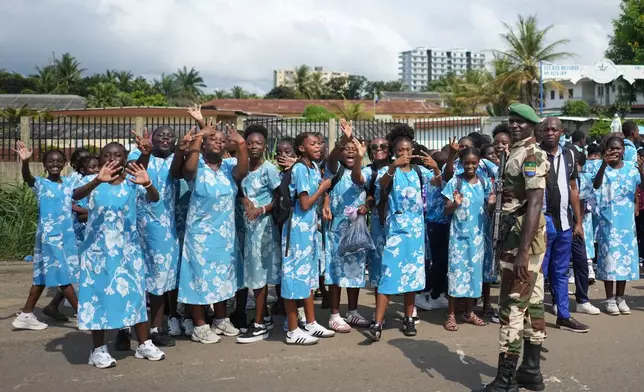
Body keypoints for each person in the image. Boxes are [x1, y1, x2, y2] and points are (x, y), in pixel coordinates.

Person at [476, 103, 549, 392]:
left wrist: (521, 252)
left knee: (510, 308)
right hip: (517, 240)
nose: (515, 125)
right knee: (532, 304)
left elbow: (535, 203)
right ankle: (531, 371)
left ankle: (506, 379)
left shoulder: (530, 155)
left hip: (522, 244)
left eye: (521, 121)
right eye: (512, 121)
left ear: (533, 125)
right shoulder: (515, 152)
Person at [74, 142, 165, 368]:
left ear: (125, 158)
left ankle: (143, 344)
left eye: (118, 155)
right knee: (99, 298)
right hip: (98, 253)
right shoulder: (92, 181)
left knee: (135, 296)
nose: (112, 158)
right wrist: (96, 180)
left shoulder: (132, 182)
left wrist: (149, 183)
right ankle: (97, 350)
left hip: (128, 251)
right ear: (101, 158)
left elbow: (154, 198)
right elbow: (75, 196)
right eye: (107, 155)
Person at [177, 119, 249, 344]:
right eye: (213, 139)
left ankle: (220, 319)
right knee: (198, 277)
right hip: (200, 235)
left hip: (225, 234)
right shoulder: (196, 165)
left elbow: (242, 171)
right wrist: (199, 135)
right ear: (205, 144)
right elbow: (187, 172)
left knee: (223, 277)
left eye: (221, 140)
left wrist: (242, 145)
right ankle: (199, 325)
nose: (218, 143)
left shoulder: (228, 167)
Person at [367, 124, 441, 342]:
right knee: (388, 276)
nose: (405, 154)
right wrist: (392, 167)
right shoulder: (387, 171)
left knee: (413, 277)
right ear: (394, 152)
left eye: (408, 150)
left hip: (416, 233)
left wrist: (436, 168)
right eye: (400, 151)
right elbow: (381, 185)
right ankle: (377, 323)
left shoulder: (420, 172)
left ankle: (409, 318)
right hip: (396, 232)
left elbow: (438, 184)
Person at [11, 144, 80, 331]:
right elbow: (27, 178)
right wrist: (25, 161)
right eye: (51, 161)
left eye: (59, 161)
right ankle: (84, 316)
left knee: (41, 277)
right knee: (63, 276)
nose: (55, 164)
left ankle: (26, 314)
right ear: (44, 165)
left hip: (65, 237)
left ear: (65, 164)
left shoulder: (69, 184)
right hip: (49, 238)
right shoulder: (41, 184)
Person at [129, 126, 183, 347]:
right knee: (134, 276)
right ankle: (125, 328)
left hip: (163, 226)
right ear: (152, 138)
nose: (165, 138)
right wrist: (146, 152)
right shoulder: (136, 155)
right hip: (134, 223)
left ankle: (156, 327)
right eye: (161, 135)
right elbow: (135, 170)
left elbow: (180, 173)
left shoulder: (174, 159)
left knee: (159, 278)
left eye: (170, 136)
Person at [281, 132, 335, 345]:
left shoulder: (313, 168)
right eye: (312, 144)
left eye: (320, 144)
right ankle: (292, 329)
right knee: (294, 279)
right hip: (297, 233)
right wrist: (323, 189)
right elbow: (304, 203)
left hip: (309, 232)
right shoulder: (301, 169)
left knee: (308, 279)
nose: (318, 147)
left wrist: (326, 200)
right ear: (301, 148)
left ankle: (311, 322)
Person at [539, 117, 589, 333]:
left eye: (554, 129)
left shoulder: (569, 155)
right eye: (546, 129)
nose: (550, 132)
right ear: (541, 132)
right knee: (539, 271)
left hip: (565, 222)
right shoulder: (534, 154)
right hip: (541, 221)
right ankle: (534, 317)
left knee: (560, 272)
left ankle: (564, 316)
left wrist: (578, 221)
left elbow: (573, 188)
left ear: (561, 132)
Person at [321, 121, 371, 332]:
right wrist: (344, 140)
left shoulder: (365, 172)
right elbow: (331, 157)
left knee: (355, 271)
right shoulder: (334, 169)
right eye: (347, 150)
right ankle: (334, 314)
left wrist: (365, 205)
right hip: (336, 229)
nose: (350, 152)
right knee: (335, 271)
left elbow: (368, 191)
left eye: (355, 149)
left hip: (356, 230)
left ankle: (352, 311)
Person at [235, 124, 282, 343]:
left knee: (260, 276)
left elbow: (280, 198)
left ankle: (259, 323)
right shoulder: (240, 168)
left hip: (263, 230)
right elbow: (238, 190)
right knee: (252, 275)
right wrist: (244, 199)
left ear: (265, 146)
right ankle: (264, 317)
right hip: (246, 229)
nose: (254, 147)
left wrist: (261, 209)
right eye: (250, 143)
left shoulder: (269, 169)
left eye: (259, 143)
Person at [442, 147, 494, 331]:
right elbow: (445, 209)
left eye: (474, 162)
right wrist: (455, 205)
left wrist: (492, 203)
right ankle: (451, 314)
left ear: (479, 162)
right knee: (456, 274)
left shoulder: (484, 182)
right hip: (458, 237)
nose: (470, 166)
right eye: (467, 163)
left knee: (474, 275)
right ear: (461, 163)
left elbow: (490, 206)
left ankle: (469, 312)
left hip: (478, 237)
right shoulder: (455, 182)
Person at [593, 135, 644, 315]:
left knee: (624, 260)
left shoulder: (631, 169)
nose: (615, 151)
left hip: (626, 223)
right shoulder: (603, 167)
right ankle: (609, 299)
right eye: (612, 148)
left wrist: (643, 172)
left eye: (618, 148)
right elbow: (596, 185)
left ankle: (621, 298)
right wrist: (603, 165)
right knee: (609, 261)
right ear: (606, 150)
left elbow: (641, 187)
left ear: (624, 150)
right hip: (608, 222)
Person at [351, 135, 392, 324]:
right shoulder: (370, 171)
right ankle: (379, 313)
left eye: (383, 146)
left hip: (403, 226)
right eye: (374, 147)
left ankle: (410, 312)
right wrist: (359, 157)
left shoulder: (401, 167)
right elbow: (358, 178)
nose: (379, 149)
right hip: (378, 226)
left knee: (402, 267)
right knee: (378, 269)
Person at [572, 152, 600, 315]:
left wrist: (578, 223)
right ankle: (557, 302)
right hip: (558, 223)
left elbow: (582, 201)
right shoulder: (556, 175)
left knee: (582, 262)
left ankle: (583, 300)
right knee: (559, 266)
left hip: (577, 224)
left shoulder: (584, 178)